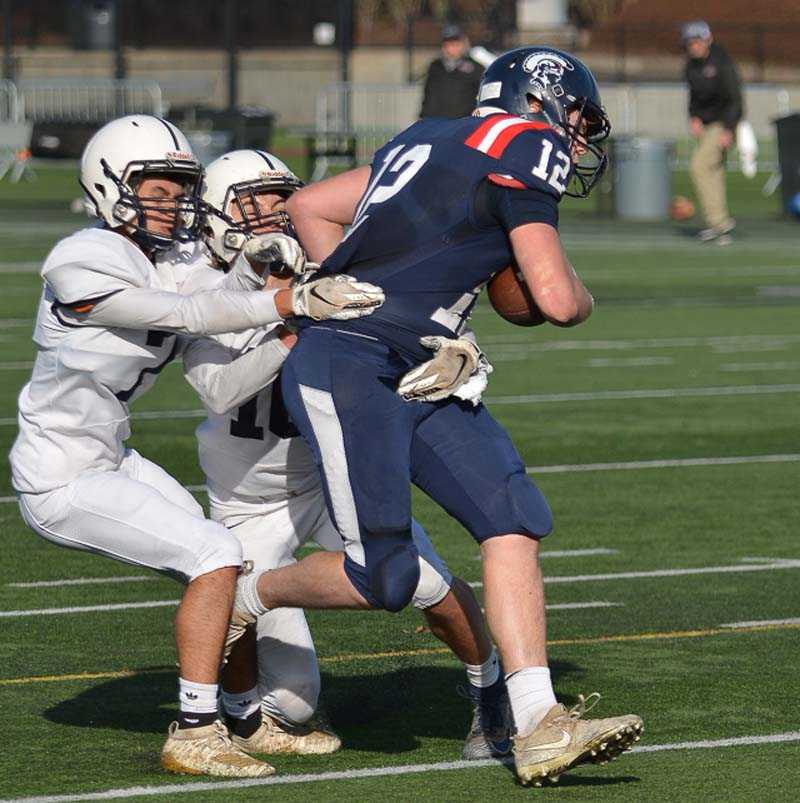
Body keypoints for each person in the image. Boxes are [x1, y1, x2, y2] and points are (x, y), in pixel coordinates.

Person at [228, 47, 643, 787]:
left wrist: (384, 307)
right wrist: (585, 298)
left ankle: (539, 720)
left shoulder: (427, 134)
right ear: (542, 101)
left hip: (419, 362)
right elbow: (551, 298)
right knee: (383, 578)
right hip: (352, 367)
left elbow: (310, 204)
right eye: (577, 116)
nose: (579, 137)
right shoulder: (527, 142)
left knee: (511, 512)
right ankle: (246, 595)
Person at [8, 115, 383, 779]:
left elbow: (212, 284)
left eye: (180, 189)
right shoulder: (81, 258)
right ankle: (194, 728)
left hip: (110, 454)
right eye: (154, 188)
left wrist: (259, 258)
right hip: (59, 472)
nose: (172, 202)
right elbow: (188, 313)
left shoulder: (169, 255)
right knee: (213, 554)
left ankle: (245, 718)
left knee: (228, 559)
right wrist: (288, 297)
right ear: (106, 185)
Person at [170, 148, 512, 761]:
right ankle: (238, 714)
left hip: (336, 472)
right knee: (296, 705)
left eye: (284, 198)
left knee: (429, 585)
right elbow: (215, 388)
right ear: (220, 216)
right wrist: (298, 319)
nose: (276, 214)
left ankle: (493, 695)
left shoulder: (332, 266)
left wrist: (463, 352)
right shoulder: (202, 290)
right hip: (250, 501)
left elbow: (408, 322)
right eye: (257, 202)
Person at [682, 20, 743, 244]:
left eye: (697, 41)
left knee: (698, 166)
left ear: (708, 39)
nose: (694, 46)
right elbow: (694, 97)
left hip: (723, 123)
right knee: (712, 172)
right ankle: (718, 224)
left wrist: (728, 129)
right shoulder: (691, 65)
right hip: (707, 125)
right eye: (690, 42)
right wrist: (693, 116)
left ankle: (717, 220)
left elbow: (735, 100)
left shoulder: (722, 62)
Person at [419, 23, 484, 120]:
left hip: (463, 124)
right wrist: (423, 117)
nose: (450, 49)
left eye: (454, 45)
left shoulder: (474, 68)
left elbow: (482, 96)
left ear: (462, 44)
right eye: (447, 45)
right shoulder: (436, 67)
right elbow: (428, 96)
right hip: (437, 124)